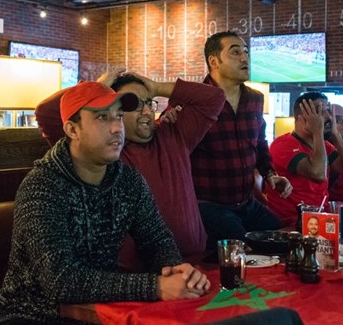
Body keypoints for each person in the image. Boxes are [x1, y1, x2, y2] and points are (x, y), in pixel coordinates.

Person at [0, 82, 210, 323]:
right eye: (102, 118)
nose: (117, 127)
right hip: (32, 314)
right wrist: (156, 286)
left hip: (99, 312)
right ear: (72, 130)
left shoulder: (128, 181)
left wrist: (177, 270)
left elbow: (156, 239)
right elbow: (60, 281)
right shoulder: (43, 185)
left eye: (119, 116)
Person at [35, 72, 226, 257]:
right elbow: (46, 113)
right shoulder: (106, 151)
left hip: (191, 261)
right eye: (135, 104)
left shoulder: (174, 134)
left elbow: (214, 97)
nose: (146, 111)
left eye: (149, 102)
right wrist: (99, 87)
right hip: (133, 277)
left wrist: (156, 87)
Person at [193, 31, 293, 249]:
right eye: (235, 52)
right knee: (243, 253)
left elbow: (259, 142)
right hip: (208, 205)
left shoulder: (255, 99)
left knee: (287, 241)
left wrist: (271, 175)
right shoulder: (196, 99)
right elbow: (170, 145)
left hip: (247, 203)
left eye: (246, 52)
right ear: (214, 61)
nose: (244, 58)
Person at [266, 92, 343, 227]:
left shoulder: (324, 145)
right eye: (319, 111)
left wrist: (336, 135)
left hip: (321, 219)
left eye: (327, 110)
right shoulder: (282, 144)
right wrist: (317, 131)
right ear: (301, 118)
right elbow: (318, 174)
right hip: (292, 223)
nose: (327, 116)